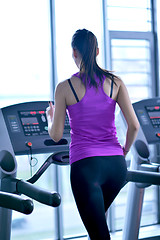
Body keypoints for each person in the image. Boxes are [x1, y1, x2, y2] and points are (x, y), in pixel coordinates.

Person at [46, 29, 139, 240]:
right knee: (97, 228)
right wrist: (123, 151)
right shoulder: (116, 82)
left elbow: (56, 134)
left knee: (99, 234)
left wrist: (50, 118)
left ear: (74, 52)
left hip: (86, 169)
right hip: (116, 166)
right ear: (97, 51)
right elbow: (134, 126)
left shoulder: (64, 88)